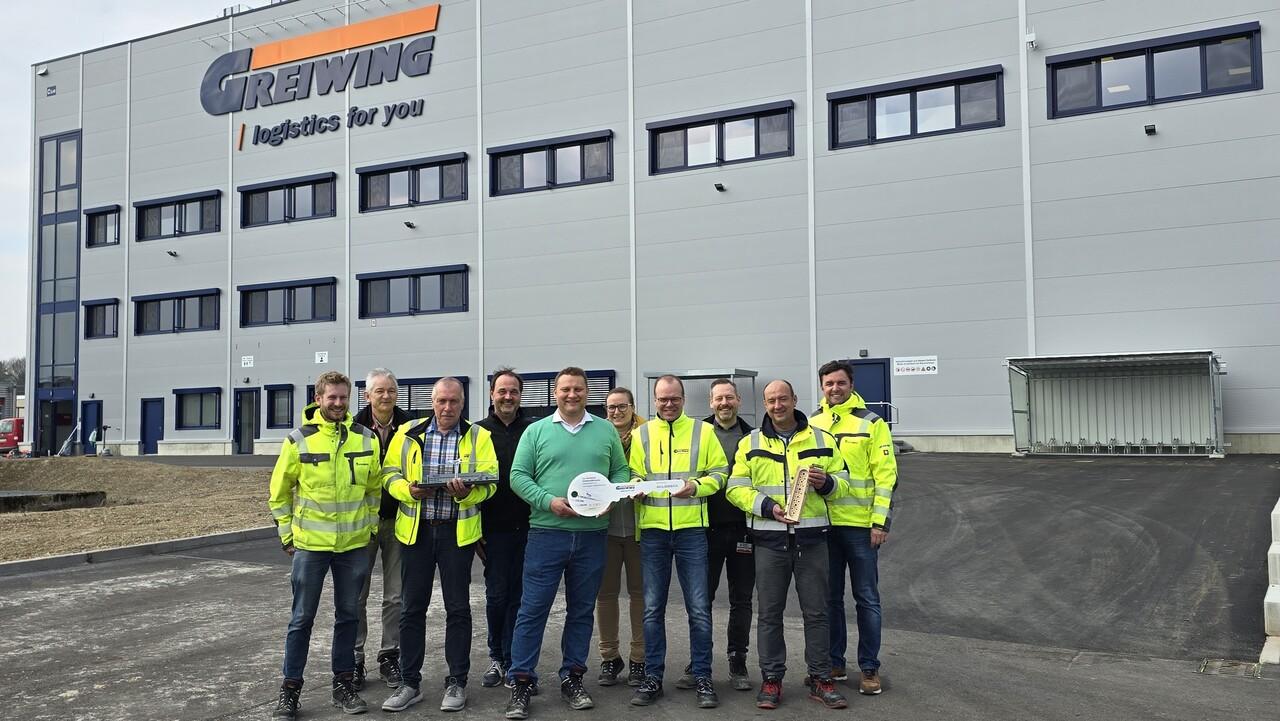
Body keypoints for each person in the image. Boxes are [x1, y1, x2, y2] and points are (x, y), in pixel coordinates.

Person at [503, 367, 630, 720]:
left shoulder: (605, 430)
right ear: (555, 393)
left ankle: (573, 677)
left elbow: (620, 471)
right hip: (547, 533)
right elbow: (517, 476)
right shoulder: (536, 431)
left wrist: (611, 496)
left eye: (578, 389)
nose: (572, 395)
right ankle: (521, 681)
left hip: (592, 535)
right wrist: (548, 502)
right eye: (565, 389)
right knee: (532, 610)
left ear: (587, 392)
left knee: (581, 610)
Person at [724, 379, 850, 711]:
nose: (777, 405)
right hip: (769, 541)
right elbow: (735, 488)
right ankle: (772, 679)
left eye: (783, 399)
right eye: (771, 401)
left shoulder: (822, 439)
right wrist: (767, 507)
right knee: (769, 614)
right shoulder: (750, 442)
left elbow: (845, 482)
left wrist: (828, 483)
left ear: (794, 399)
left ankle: (821, 678)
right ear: (764, 404)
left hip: (812, 539)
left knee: (817, 613)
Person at [380, 378, 499, 714]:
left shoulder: (478, 436)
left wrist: (466, 493)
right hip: (416, 533)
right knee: (411, 609)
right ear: (432, 402)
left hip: (456, 535)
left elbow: (491, 482)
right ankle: (409, 683)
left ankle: (457, 681)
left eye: (454, 402)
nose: (447, 408)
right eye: (442, 401)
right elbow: (388, 474)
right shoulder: (408, 433)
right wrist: (408, 490)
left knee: (458, 610)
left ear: (463, 403)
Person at [267, 371, 382, 719]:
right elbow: (279, 493)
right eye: (331, 397)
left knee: (349, 616)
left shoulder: (366, 438)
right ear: (318, 399)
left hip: (353, 547)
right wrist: (287, 535)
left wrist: (370, 528)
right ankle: (290, 690)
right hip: (311, 547)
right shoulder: (298, 441)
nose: (337, 403)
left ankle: (343, 685)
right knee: (301, 619)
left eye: (343, 397)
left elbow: (373, 489)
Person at [627, 375, 728, 709]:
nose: (668, 404)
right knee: (652, 609)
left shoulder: (704, 431)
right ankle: (653, 678)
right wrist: (636, 485)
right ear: (654, 400)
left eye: (674, 398)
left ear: (683, 399)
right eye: (662, 399)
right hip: (653, 532)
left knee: (698, 609)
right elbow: (634, 474)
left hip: (691, 532)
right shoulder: (641, 434)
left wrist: (697, 486)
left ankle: (702, 677)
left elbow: (720, 474)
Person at [810, 360, 898, 696]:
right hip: (824, 526)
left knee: (866, 599)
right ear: (822, 387)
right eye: (829, 383)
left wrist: (880, 521)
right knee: (829, 599)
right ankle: (835, 663)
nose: (834, 389)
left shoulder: (871, 423)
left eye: (840, 383)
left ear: (851, 385)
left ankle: (869, 668)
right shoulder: (813, 423)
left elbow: (886, 475)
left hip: (861, 528)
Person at [688, 377, 756, 691]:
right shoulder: (698, 433)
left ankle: (737, 658)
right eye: (719, 398)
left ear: (738, 400)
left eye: (729, 397)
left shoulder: (753, 437)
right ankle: (699, 661)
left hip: (744, 530)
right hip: (705, 529)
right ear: (711, 402)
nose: (724, 403)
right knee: (702, 599)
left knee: (741, 599)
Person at [352, 368, 412, 690]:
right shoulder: (353, 428)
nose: (386, 396)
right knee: (356, 595)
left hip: (398, 520)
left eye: (391, 390)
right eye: (379, 391)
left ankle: (390, 655)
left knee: (395, 595)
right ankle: (355, 659)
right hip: (362, 523)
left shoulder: (411, 427)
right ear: (367, 395)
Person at [476, 368, 535, 688]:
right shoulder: (478, 432)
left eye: (513, 391)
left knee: (520, 597)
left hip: (530, 527)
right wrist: (476, 531)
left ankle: (515, 659)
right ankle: (496, 657)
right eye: (502, 391)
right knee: (497, 595)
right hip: (493, 530)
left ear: (520, 395)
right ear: (492, 394)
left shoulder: (534, 430)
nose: (508, 397)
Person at [595, 387, 646, 687]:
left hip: (641, 528)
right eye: (611, 407)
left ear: (632, 407)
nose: (616, 412)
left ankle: (639, 658)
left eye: (622, 406)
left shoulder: (647, 435)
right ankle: (609, 657)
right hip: (606, 528)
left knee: (640, 595)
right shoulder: (598, 435)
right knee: (606, 595)